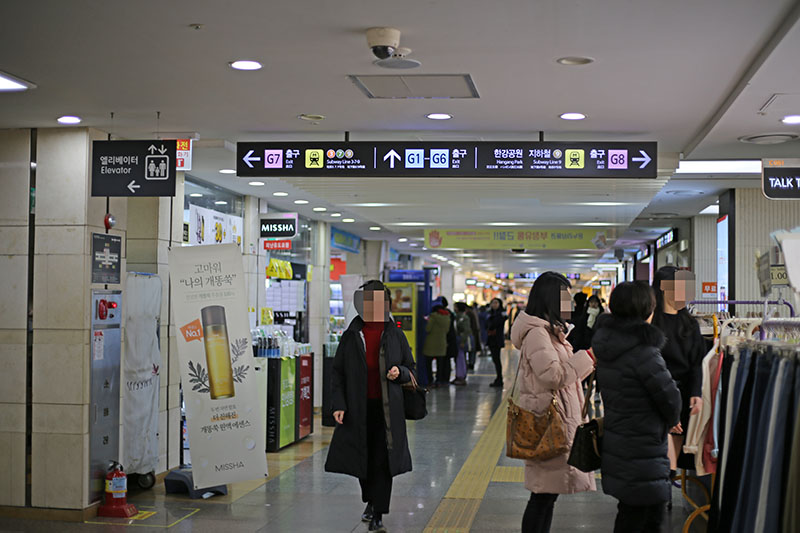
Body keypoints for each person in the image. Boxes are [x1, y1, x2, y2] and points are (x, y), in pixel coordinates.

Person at [325, 280, 416, 533]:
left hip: (387, 410)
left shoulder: (396, 334)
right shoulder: (352, 335)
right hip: (358, 409)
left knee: (382, 462)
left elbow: (412, 368)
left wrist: (401, 372)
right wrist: (339, 405)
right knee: (362, 460)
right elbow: (338, 373)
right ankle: (370, 498)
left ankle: (378, 513)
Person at [592, 281, 682, 533]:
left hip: (619, 441)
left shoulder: (608, 347)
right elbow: (670, 400)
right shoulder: (644, 353)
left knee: (630, 512)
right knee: (648, 517)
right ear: (647, 311)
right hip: (644, 447)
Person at [510, 272, 596, 533]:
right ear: (551, 300)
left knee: (546, 497)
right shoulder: (538, 334)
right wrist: (589, 357)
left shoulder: (550, 332)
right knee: (542, 496)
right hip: (547, 424)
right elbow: (554, 376)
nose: (570, 302)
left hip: (554, 421)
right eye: (565, 297)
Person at [651, 266, 706, 476]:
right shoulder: (650, 322)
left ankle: (664, 490)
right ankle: (662, 491)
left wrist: (696, 393)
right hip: (657, 394)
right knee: (662, 457)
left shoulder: (689, 324)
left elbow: (697, 363)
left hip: (683, 396)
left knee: (672, 455)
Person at [423, 297, 451, 387]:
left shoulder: (433, 316)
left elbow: (428, 329)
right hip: (442, 343)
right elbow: (447, 330)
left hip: (431, 343)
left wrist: (427, 321)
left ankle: (430, 381)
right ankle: (439, 380)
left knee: (428, 363)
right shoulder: (447, 317)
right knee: (440, 364)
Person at [486, 298, 507, 387]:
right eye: (492, 303)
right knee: (495, 359)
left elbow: (494, 324)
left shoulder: (501, 314)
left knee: (497, 359)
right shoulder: (490, 313)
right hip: (491, 339)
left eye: (496, 303)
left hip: (497, 340)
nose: (494, 305)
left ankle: (499, 378)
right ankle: (498, 378)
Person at [452, 302, 473, 385]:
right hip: (458, 340)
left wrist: (463, 341)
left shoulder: (463, 318)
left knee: (461, 359)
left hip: (461, 340)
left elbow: (466, 330)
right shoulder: (457, 317)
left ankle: (461, 376)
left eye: (455, 307)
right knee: (458, 358)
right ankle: (458, 375)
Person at [466, 304, 481, 372]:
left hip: (471, 334)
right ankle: (471, 363)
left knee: (471, 349)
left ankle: (471, 363)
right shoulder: (474, 312)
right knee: (472, 350)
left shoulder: (469, 314)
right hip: (474, 333)